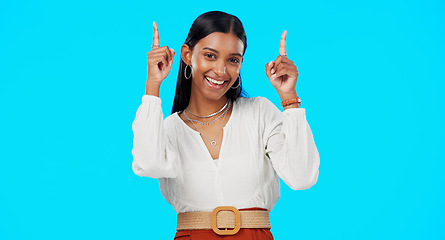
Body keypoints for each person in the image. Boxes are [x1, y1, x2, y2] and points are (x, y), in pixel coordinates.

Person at [132, 11, 320, 240]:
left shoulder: (259, 112)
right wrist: (153, 85)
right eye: (210, 55)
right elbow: (148, 164)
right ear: (187, 55)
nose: (221, 71)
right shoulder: (168, 129)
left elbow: (302, 177)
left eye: (233, 60)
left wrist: (289, 98)